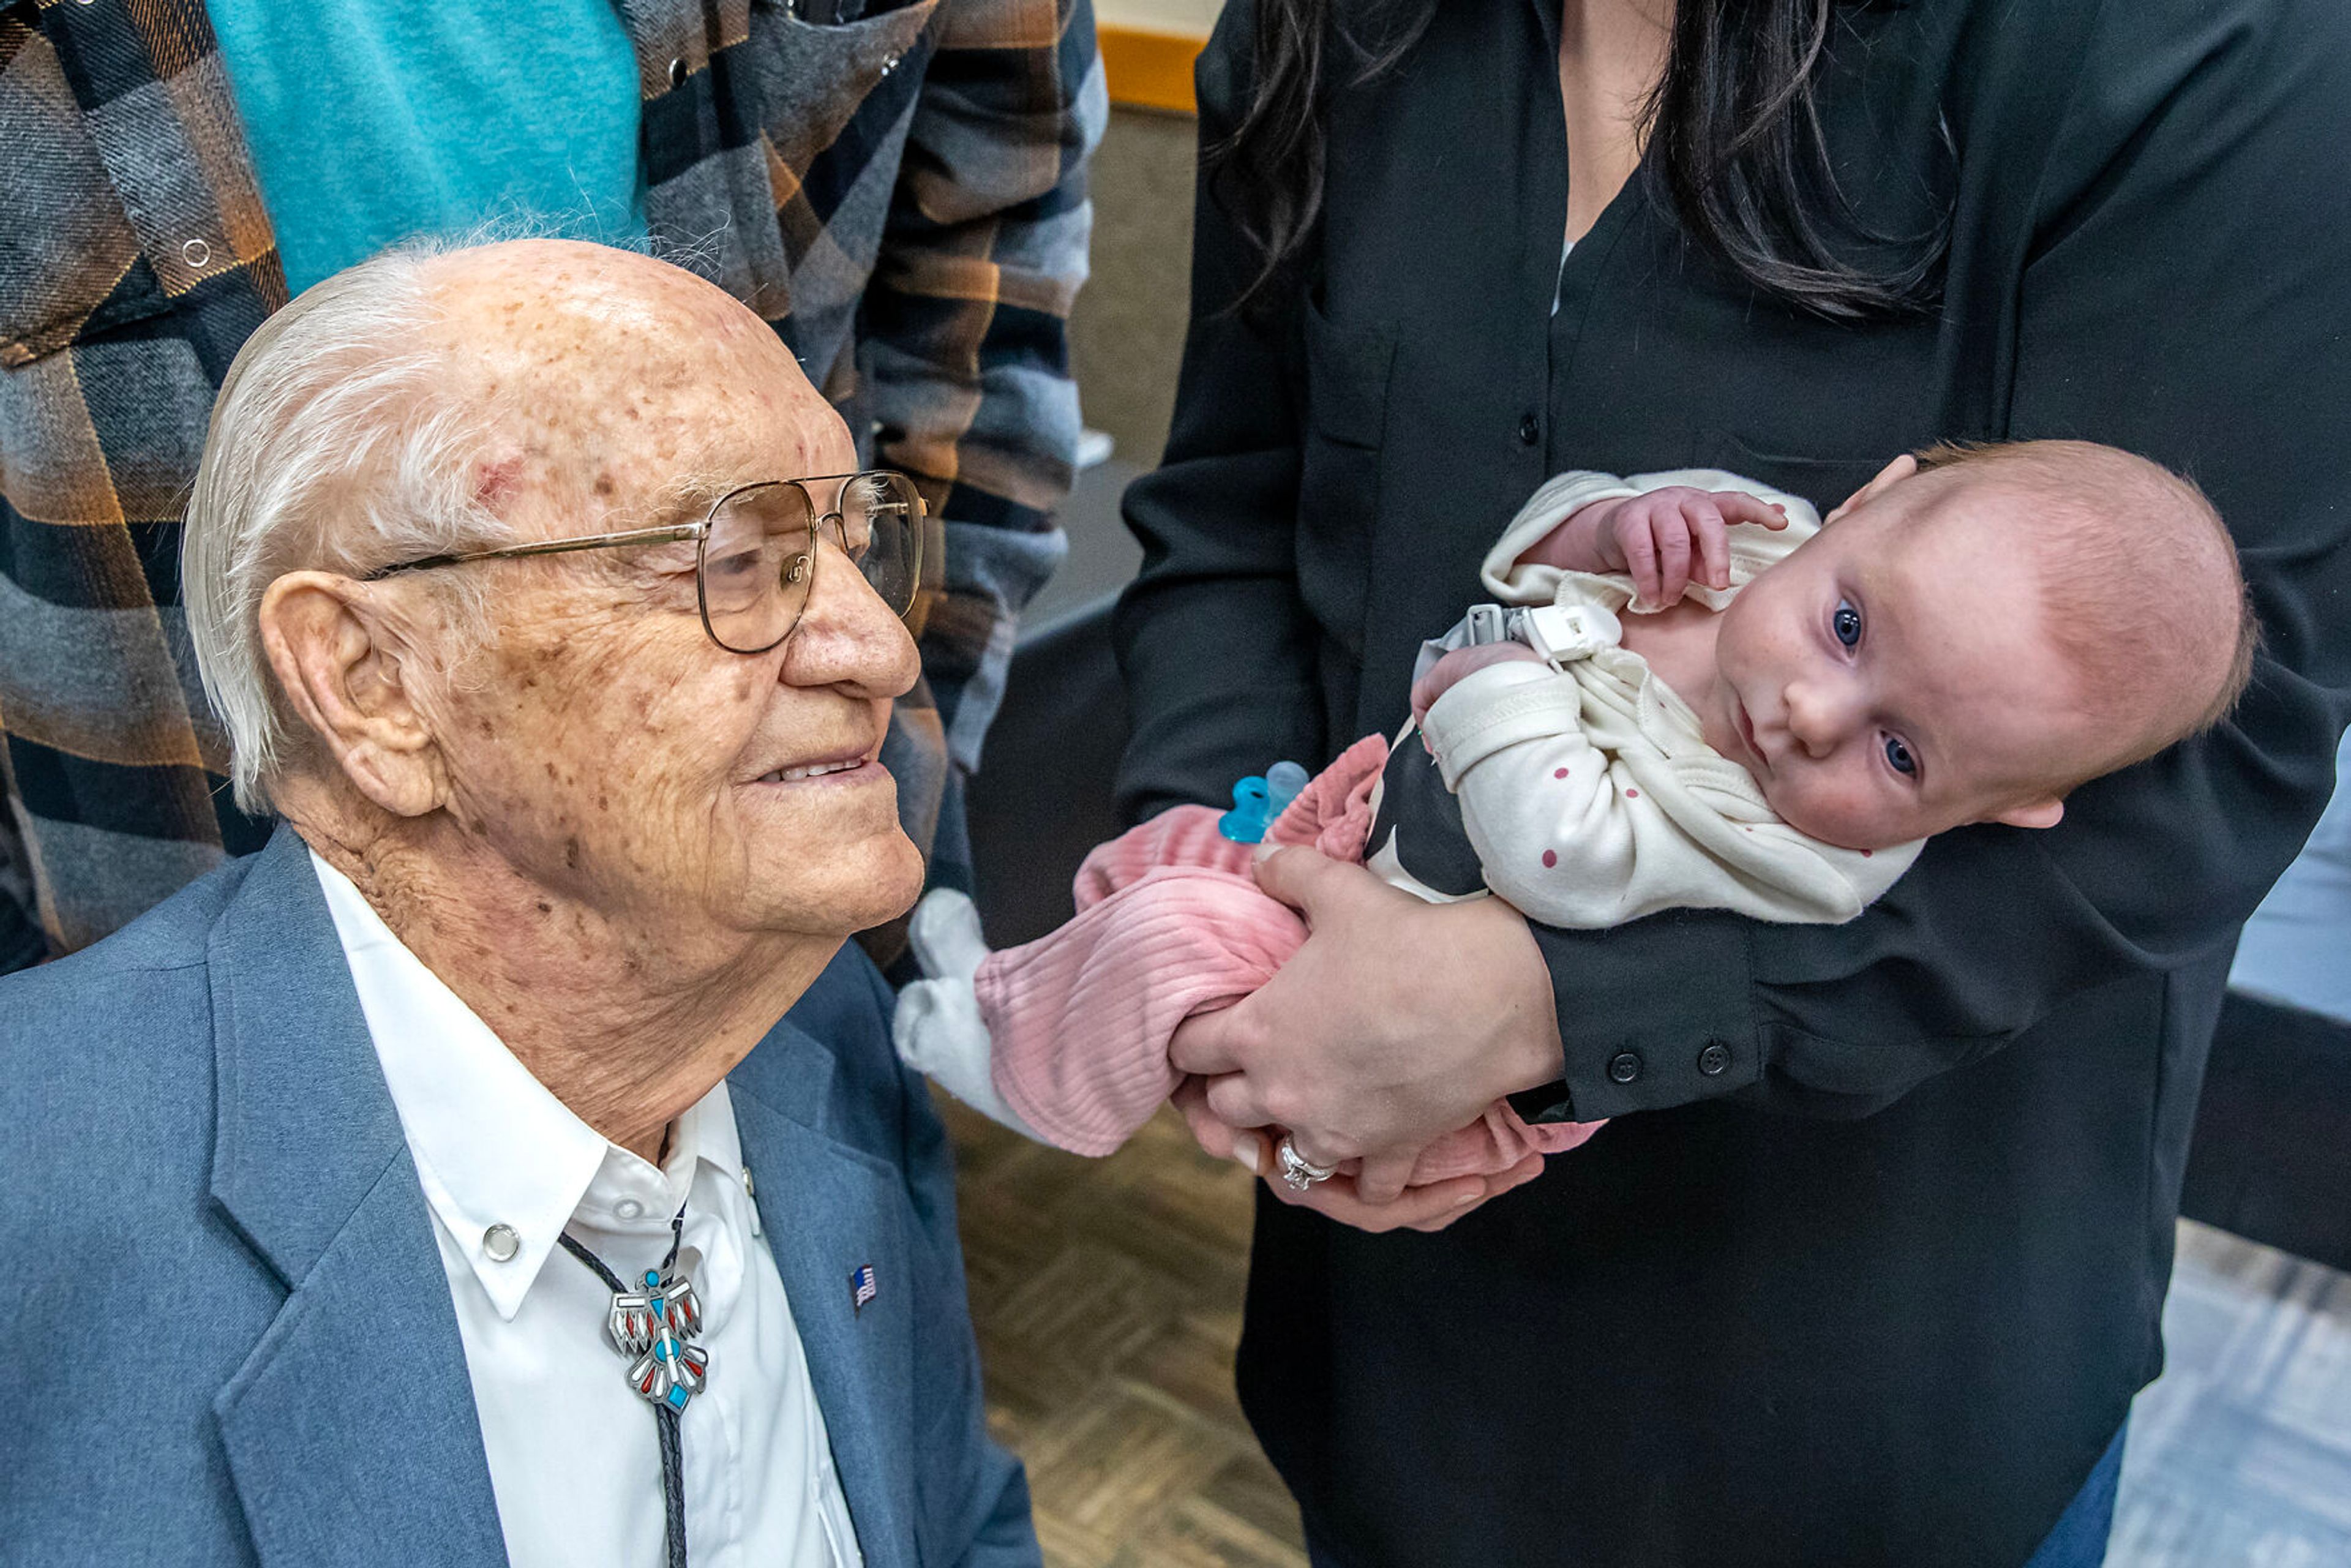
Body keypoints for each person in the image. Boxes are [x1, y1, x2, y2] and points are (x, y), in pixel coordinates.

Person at [1109, 0, 2351, 1562]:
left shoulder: (2196, 51)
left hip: (1866, 1381)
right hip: (1393, 1353)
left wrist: (1545, 1000)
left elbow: (2218, 749)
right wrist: (1215, 896)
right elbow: (1239, 511)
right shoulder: (1335, 33)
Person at [0, 239, 1037, 1567]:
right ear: (373, 684)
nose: (882, 651)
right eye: (730, 557)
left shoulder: (821, 1020)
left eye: (846, 540)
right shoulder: (44, 1205)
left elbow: (961, 1526)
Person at [0, 0, 1103, 965]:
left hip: (804, 945)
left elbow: (985, 275)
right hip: (147, 877)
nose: (879, 646)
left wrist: (895, 748)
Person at [899, 442, 2253, 1185]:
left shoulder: (1802, 853)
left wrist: (1490, 682)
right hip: (1362, 829)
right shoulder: (1758, 542)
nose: (1810, 716)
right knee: (1164, 864)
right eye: (1845, 624)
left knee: (1181, 933)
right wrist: (1606, 531)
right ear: (1867, 503)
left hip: (1409, 970)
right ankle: (1035, 976)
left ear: (2011, 811)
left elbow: (1567, 861)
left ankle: (1016, 1069)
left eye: (1902, 753)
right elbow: (1529, 548)